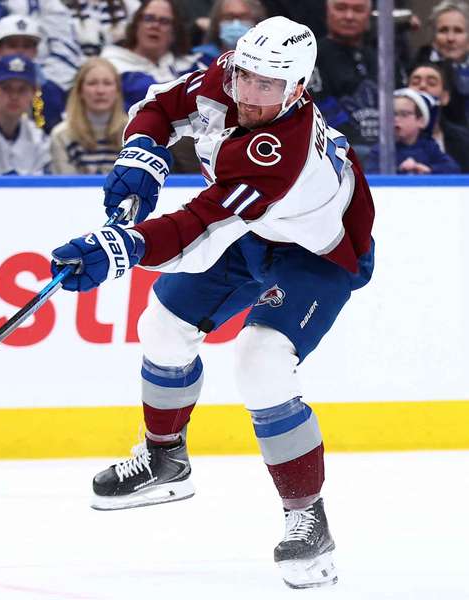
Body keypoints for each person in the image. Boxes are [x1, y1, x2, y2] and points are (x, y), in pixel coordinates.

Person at [49, 17, 374, 589]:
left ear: (298, 88)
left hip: (315, 253)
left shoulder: (281, 152)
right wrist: (141, 155)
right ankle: (164, 459)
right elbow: (161, 105)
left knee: (261, 363)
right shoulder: (234, 77)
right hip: (253, 231)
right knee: (163, 325)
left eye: (267, 86)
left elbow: (200, 227)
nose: (248, 94)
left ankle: (307, 518)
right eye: (245, 75)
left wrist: (120, 247)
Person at [312, 0, 406, 160]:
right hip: (334, 154)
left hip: (390, 153)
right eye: (341, 8)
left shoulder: (385, 58)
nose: (349, 16)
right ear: (327, 11)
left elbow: (402, 105)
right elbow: (319, 109)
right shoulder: (312, 55)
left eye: (358, 9)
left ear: (369, 14)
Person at [0, 15, 66, 133]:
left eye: (26, 46)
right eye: (12, 46)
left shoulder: (49, 89)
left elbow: (51, 129)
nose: (20, 51)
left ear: (35, 51)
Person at [100, 0, 200, 110]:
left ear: (174, 31)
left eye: (164, 21)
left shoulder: (190, 64)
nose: (155, 26)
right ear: (136, 24)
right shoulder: (112, 64)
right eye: (149, 18)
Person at [50, 56, 127, 174]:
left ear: (117, 91)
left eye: (107, 83)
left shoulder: (133, 134)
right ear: (80, 91)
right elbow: (65, 187)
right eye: (92, 83)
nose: (100, 91)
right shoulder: (61, 136)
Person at [364, 88, 459, 174]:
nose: (396, 119)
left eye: (404, 114)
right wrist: (399, 170)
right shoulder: (380, 150)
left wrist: (428, 170)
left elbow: (453, 169)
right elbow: (371, 174)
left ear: (421, 121)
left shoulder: (430, 147)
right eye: (392, 114)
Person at [413, 0, 469, 125]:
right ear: (433, 37)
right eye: (443, 30)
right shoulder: (417, 68)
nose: (450, 38)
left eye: (458, 31)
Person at [407, 61, 469, 171]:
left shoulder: (464, 140)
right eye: (415, 82)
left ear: (445, 97)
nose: (422, 86)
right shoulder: (390, 139)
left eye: (431, 83)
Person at [192, 0, 265, 67]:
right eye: (229, 17)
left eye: (244, 17)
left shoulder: (266, 61)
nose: (236, 24)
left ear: (256, 21)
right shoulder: (199, 61)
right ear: (217, 22)